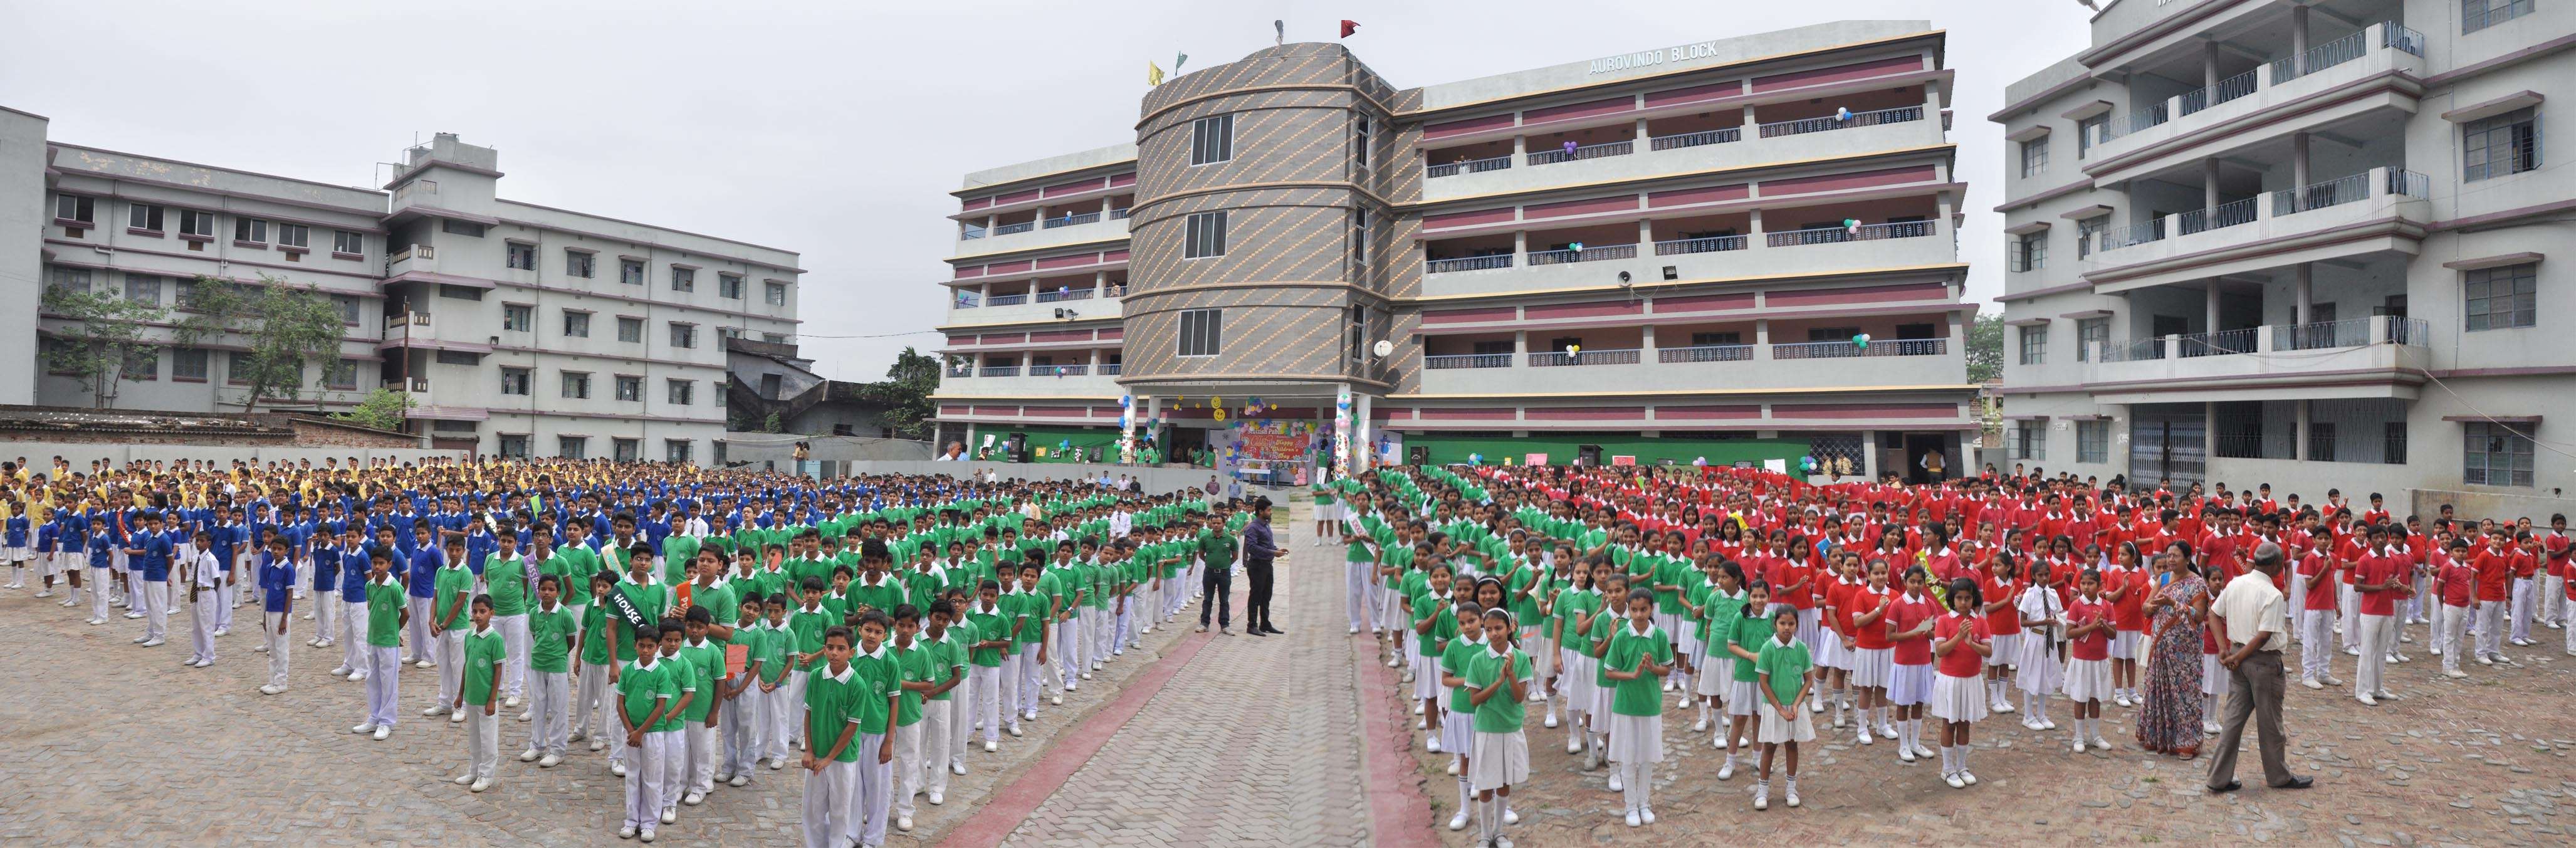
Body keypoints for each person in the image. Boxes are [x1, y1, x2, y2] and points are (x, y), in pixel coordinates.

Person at [2205, 542, 2312, 793]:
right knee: (2271, 721)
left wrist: (2225, 649)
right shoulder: (2272, 594)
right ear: (2276, 566)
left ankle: (2218, 777)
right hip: (2261, 662)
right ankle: (2278, 775)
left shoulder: (2235, 584)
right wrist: (2237, 656)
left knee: (2232, 719)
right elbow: (2264, 636)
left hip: (2237, 658)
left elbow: (2213, 614)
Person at [2137, 546, 2208, 758]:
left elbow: (2198, 616)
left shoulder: (2196, 583)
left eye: (2175, 556)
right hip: (2161, 646)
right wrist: (2150, 607)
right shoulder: (2164, 578)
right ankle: (2158, 736)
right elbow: (2147, 605)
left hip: (2185, 652)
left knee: (2185, 695)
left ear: (2188, 559)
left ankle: (2187, 742)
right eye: (2168, 555)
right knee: (2158, 688)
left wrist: (2173, 603)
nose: (2170, 559)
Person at [1753, 608, 1813, 811]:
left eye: (1791, 624)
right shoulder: (1768, 649)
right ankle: (1762, 790)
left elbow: (1808, 680)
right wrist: (1779, 709)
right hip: (1773, 706)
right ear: (1775, 624)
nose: (1787, 628)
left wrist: (1796, 704)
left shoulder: (1802, 648)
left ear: (1797, 625)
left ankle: (1791, 788)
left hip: (1794, 706)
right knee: (1769, 746)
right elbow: (1763, 682)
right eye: (1782, 624)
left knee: (1792, 745)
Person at [454, 594, 505, 793]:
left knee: (488, 737)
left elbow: (499, 669)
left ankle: (487, 774)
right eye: (475, 611)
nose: (478, 615)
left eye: (482, 611)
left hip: (486, 699)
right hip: (472, 696)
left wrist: (493, 699)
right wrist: (460, 694)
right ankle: (474, 770)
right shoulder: (469, 636)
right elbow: (467, 665)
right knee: (474, 736)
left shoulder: (495, 639)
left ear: (491, 613)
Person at [1242, 497, 1282, 635]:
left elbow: (1267, 544)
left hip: (1267, 565)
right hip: (1257, 565)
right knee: (1256, 596)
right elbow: (1252, 548)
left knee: (1266, 596)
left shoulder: (1265, 524)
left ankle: (1265, 623)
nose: (1271, 512)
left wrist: (1277, 550)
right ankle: (1252, 625)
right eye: (1269, 510)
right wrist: (1273, 552)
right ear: (1260, 511)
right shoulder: (1253, 527)